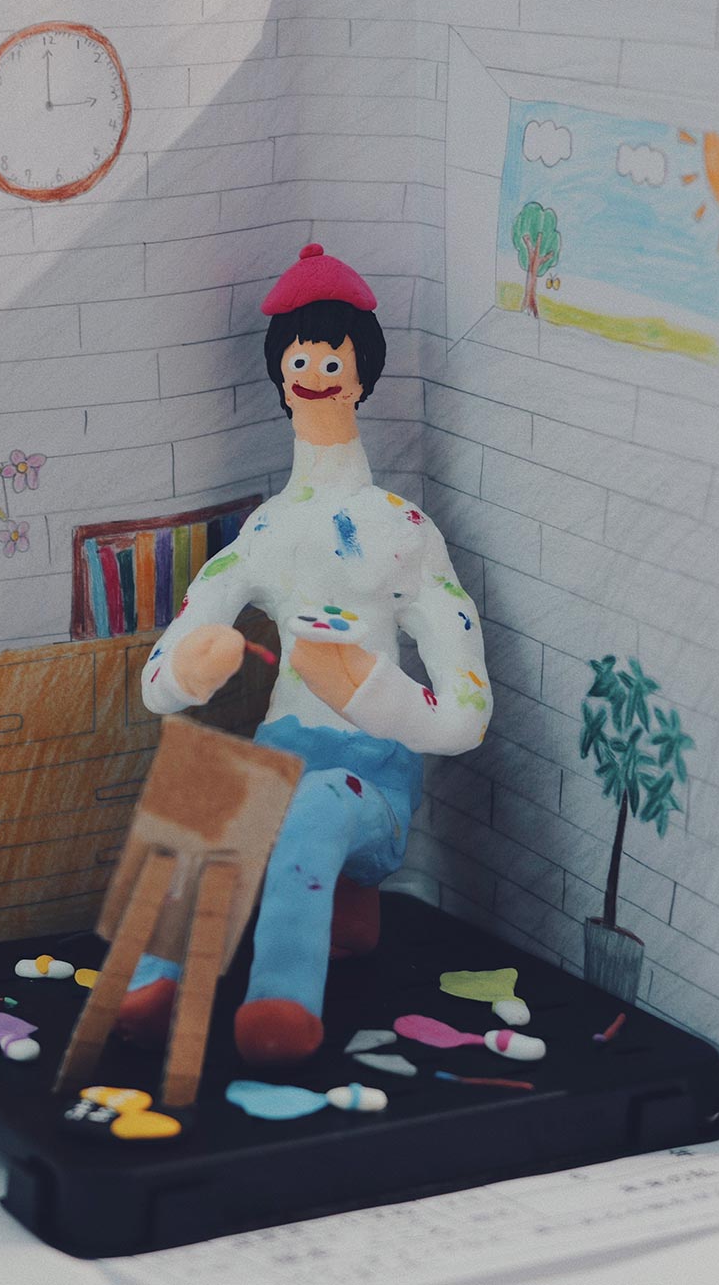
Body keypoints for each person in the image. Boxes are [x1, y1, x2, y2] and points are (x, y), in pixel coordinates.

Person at [124, 243, 494, 1067]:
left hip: (371, 783)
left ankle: (282, 1002)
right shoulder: (266, 532)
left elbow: (466, 717)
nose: (316, 374)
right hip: (281, 759)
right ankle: (155, 984)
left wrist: (368, 692)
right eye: (301, 360)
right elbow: (159, 678)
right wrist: (189, 667)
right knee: (216, 782)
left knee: (321, 803)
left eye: (332, 360)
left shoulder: (401, 531)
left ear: (361, 377)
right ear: (280, 376)